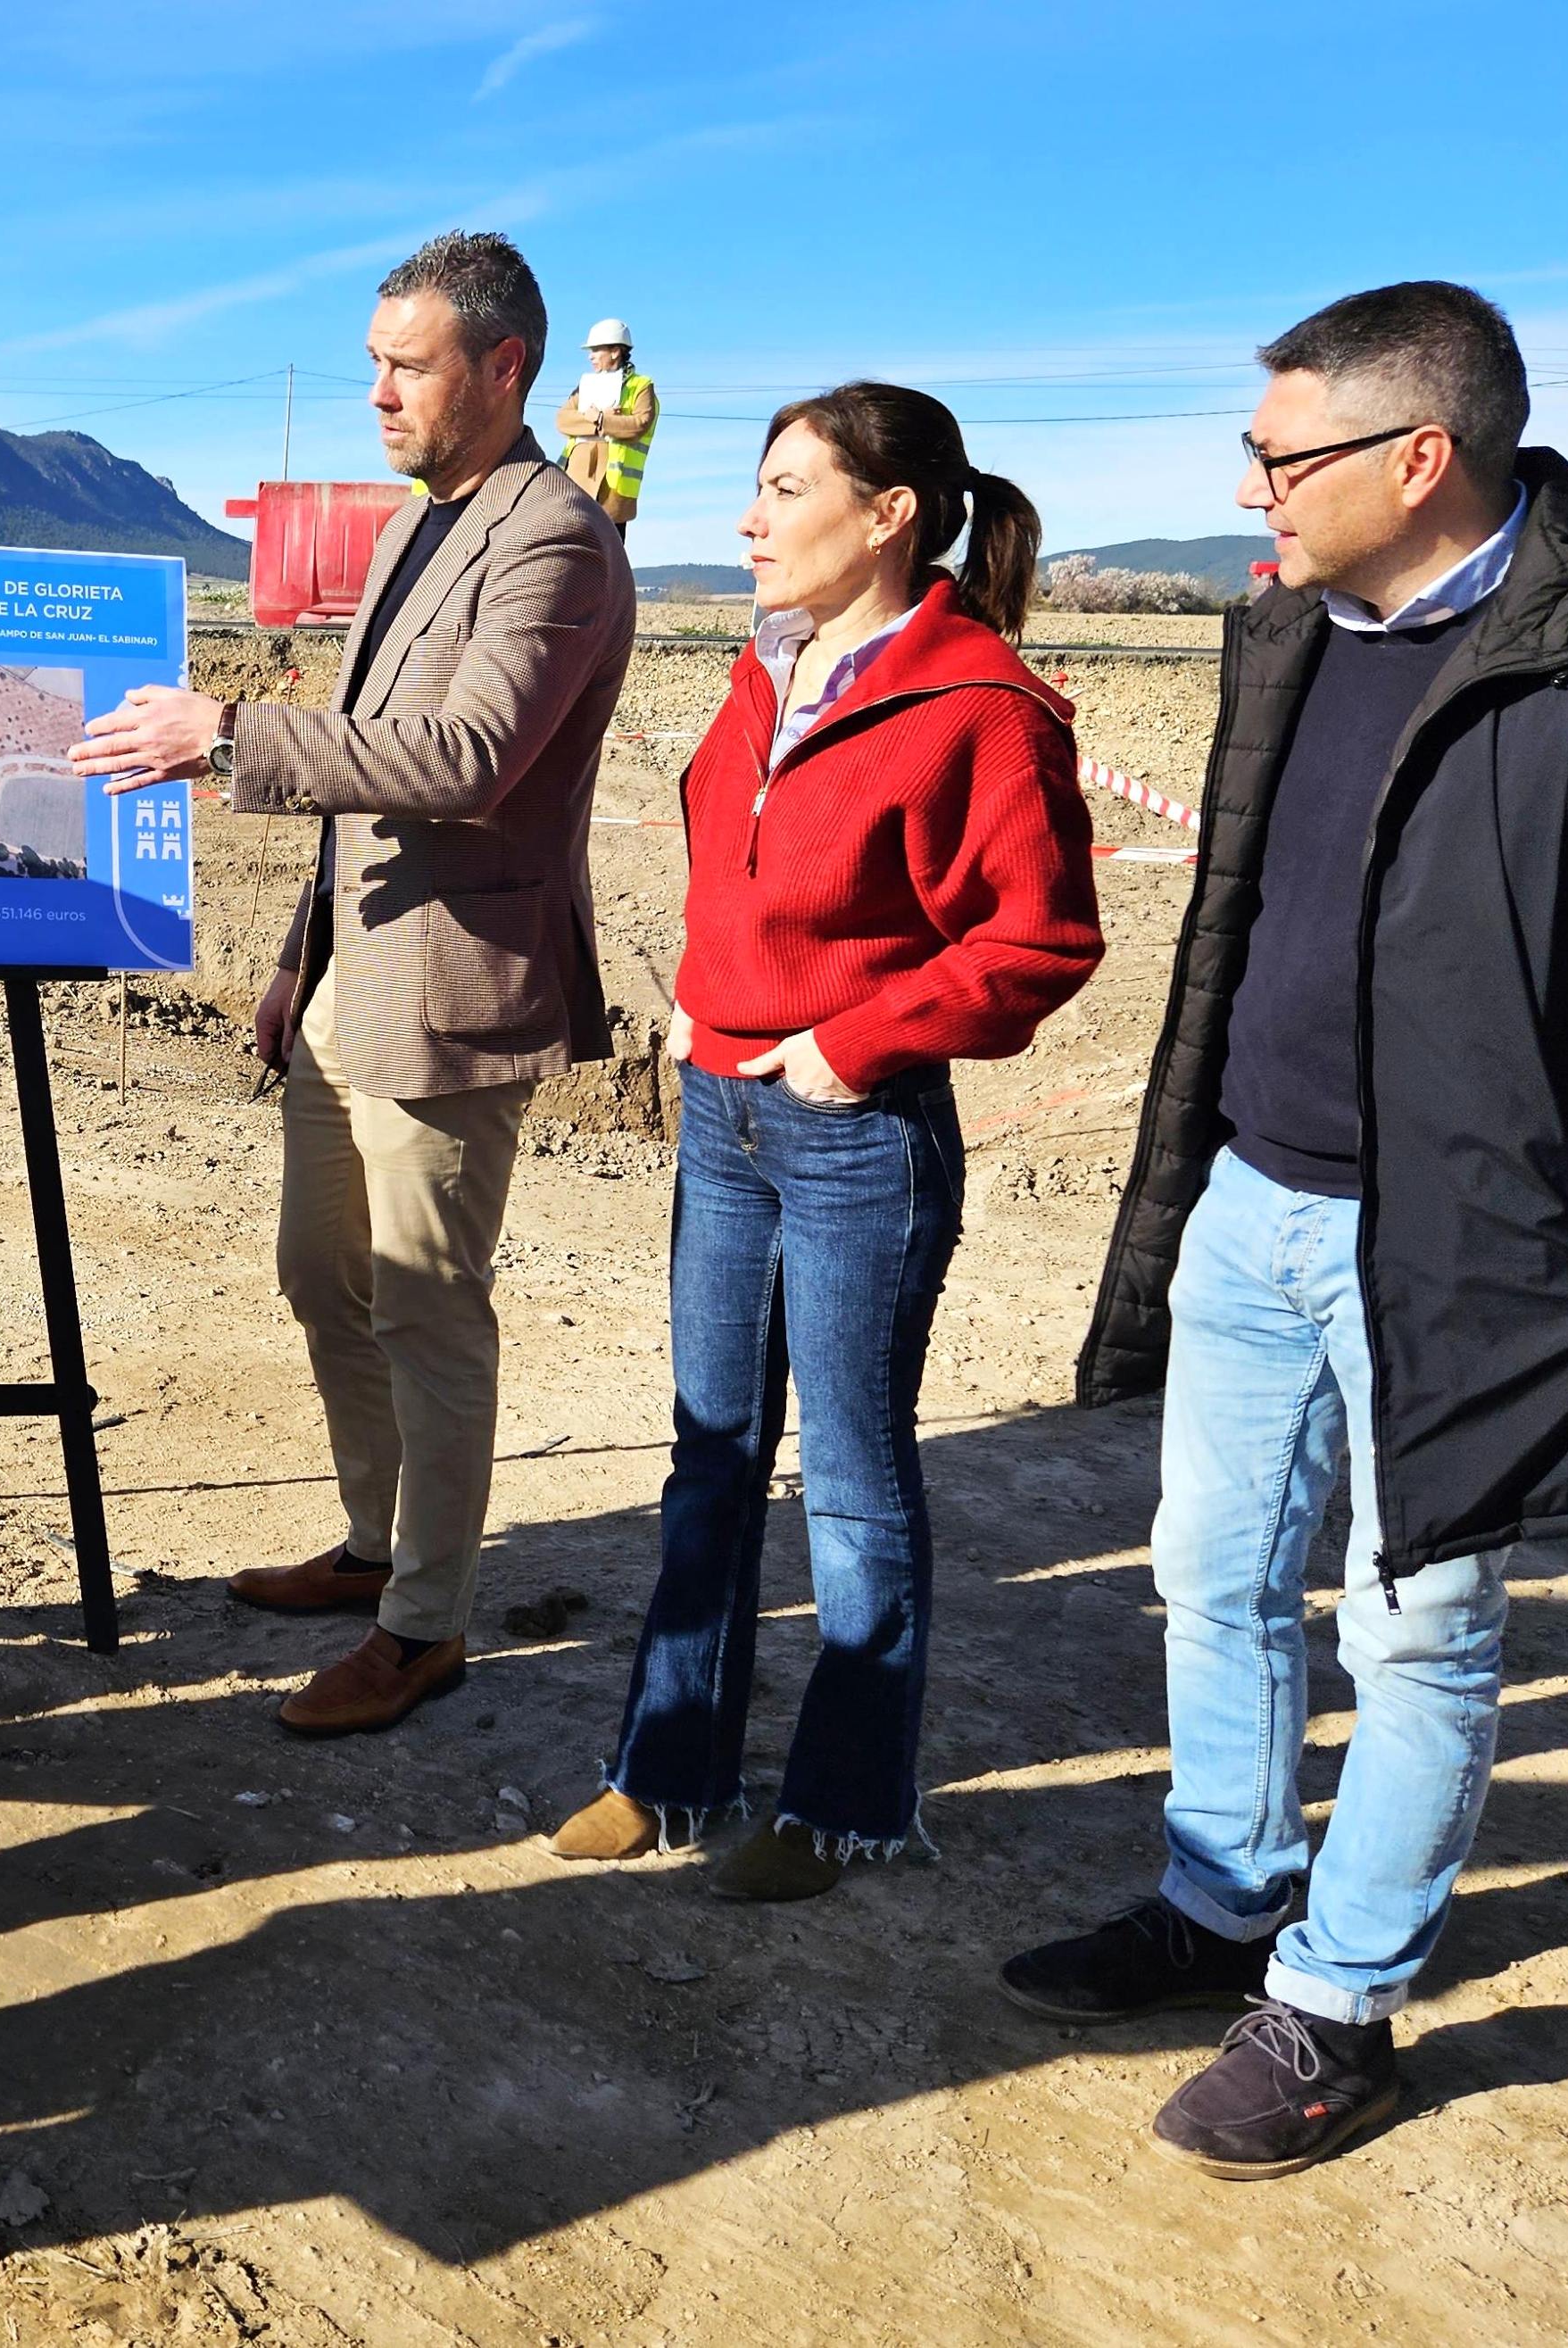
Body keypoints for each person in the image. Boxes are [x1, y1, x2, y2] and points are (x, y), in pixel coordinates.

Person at [1000, 282, 1568, 2178]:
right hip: (1254, 1198)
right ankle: (1220, 1902)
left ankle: (1336, 2004)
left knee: (1419, 1628)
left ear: (1417, 457)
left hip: (1457, 1245)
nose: (1251, 490)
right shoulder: (1293, 629)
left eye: (1279, 456)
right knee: (1211, 1574)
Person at [545, 386, 1101, 1899]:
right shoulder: (764, 666)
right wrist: (710, 996)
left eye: (786, 489)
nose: (749, 519)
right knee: (711, 1454)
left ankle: (844, 1801)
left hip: (859, 1133)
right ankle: (670, 1768)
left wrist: (857, 1041)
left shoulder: (982, 705)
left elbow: (1042, 938)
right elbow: (736, 862)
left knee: (851, 1476)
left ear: (887, 515)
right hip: (723, 1115)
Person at [76, 230, 635, 1738]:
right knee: (324, 1274)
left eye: (406, 365)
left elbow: (467, 758)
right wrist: (297, 952)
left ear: (503, 367)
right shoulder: (414, 529)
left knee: (428, 1309)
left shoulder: (554, 540)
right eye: (371, 364)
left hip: (451, 988)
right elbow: (365, 778)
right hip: (351, 972)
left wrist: (225, 734)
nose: (377, 393)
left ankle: (424, 1625)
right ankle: (374, 1539)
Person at [555, 319, 658, 527]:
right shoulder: (586, 386)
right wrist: (597, 420)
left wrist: (601, 419)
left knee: (609, 545)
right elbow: (563, 420)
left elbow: (640, 424)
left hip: (611, 489)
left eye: (596, 350)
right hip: (575, 482)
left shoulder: (640, 386)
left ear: (615, 352)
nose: (590, 356)